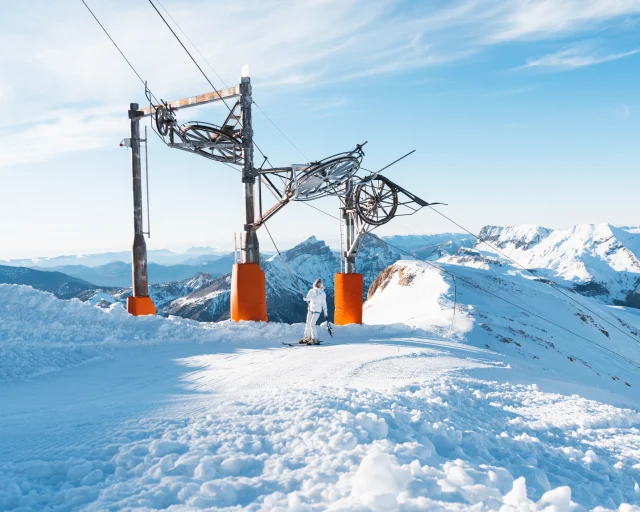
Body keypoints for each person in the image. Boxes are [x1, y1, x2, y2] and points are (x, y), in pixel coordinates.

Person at [303, 278, 328, 344]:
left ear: (321, 285)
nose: (318, 285)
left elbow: (324, 303)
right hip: (310, 309)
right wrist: (305, 299)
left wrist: (325, 313)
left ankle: (314, 338)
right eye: (317, 283)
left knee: (312, 324)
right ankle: (307, 337)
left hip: (317, 310)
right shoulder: (311, 291)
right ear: (315, 283)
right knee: (308, 323)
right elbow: (308, 298)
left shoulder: (322, 293)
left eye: (319, 284)